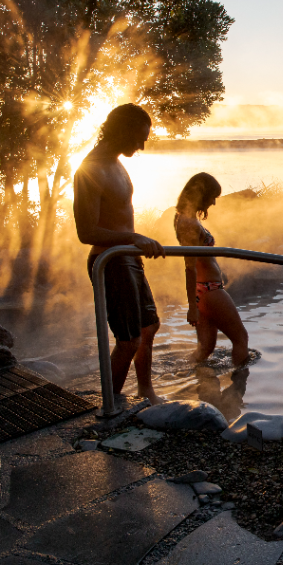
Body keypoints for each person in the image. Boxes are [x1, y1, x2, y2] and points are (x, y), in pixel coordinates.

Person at [73, 103, 166, 405]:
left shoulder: (115, 162)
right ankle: (111, 405)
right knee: (128, 340)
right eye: (139, 138)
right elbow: (86, 232)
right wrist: (133, 237)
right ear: (122, 130)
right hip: (111, 262)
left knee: (148, 327)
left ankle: (145, 391)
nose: (141, 146)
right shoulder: (92, 169)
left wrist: (134, 243)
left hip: (128, 257)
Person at [174, 172, 250, 367]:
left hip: (205, 290)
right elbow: (189, 267)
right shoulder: (188, 223)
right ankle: (239, 389)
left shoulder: (185, 218)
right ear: (201, 194)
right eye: (212, 197)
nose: (214, 203)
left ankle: (184, 377)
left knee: (206, 347)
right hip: (209, 290)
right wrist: (192, 307)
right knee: (241, 339)